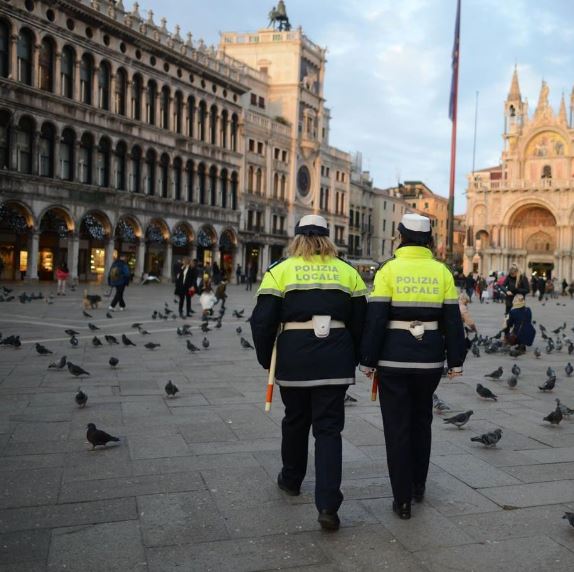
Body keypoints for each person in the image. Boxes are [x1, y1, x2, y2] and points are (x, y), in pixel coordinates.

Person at [250, 214, 367, 531]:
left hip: (294, 358)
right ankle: (328, 505)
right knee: (328, 430)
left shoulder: (279, 271)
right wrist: (353, 356)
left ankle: (291, 479)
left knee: (295, 419)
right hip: (336, 359)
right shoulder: (348, 273)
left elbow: (262, 322)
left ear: (297, 238)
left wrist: (266, 359)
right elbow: (361, 322)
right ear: (328, 239)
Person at [360, 213, 466, 520]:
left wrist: (368, 359)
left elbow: (376, 318)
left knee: (397, 428)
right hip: (429, 359)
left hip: (392, 358)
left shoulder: (388, 269)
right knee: (422, 422)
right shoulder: (441, 271)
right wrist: (455, 361)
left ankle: (402, 499)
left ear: (400, 236)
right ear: (429, 240)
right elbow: (452, 321)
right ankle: (418, 485)